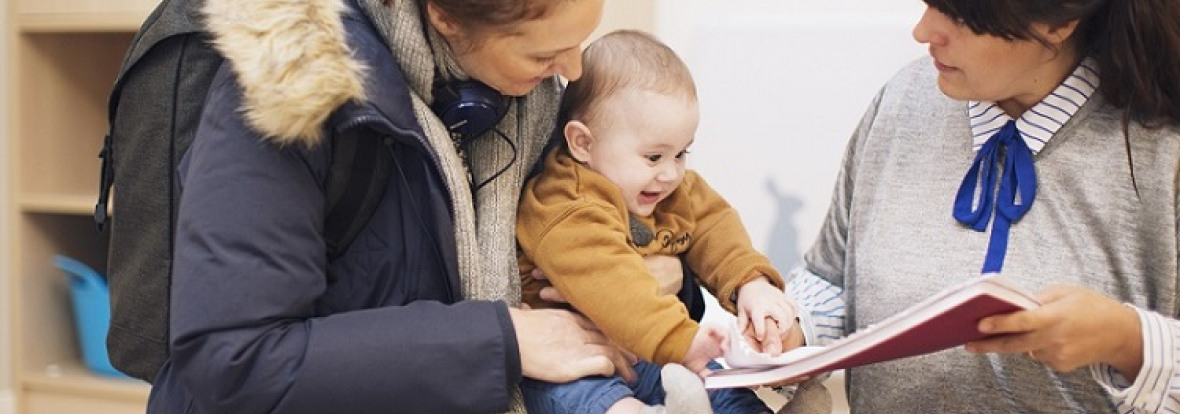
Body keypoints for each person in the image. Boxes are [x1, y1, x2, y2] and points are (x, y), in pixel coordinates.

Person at [141, 0, 678, 413]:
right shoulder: (286, 92)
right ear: (444, 16)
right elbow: (233, 358)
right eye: (543, 54)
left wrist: (647, 276)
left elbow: (623, 212)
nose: (574, 70)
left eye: (579, 41)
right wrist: (501, 340)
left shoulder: (531, 100)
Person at [786, 0, 1180, 412]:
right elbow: (830, 279)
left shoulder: (1163, 151)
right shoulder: (902, 102)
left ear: (1058, 23)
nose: (923, 32)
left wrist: (1127, 340)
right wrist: (793, 327)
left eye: (961, 15)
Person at [515, 30, 829, 414]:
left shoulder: (667, 189)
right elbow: (616, 283)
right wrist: (683, 341)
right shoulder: (564, 205)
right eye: (653, 157)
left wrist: (753, 286)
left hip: (650, 349)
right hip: (575, 357)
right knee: (595, 401)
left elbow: (715, 228)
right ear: (583, 143)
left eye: (681, 153)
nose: (670, 174)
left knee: (717, 383)